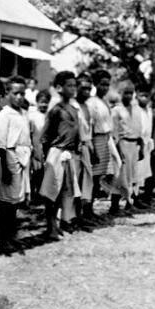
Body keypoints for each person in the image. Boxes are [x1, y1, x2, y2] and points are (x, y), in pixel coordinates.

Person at [0, 76, 32, 253]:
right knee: (6, 203)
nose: (19, 97)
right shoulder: (4, 114)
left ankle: (11, 236)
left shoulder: (23, 113)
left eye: (22, 93)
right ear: (7, 93)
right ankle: (3, 239)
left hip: (22, 157)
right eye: (15, 93)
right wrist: (5, 168)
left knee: (15, 201)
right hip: (9, 156)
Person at [40, 71, 81, 239]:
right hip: (56, 153)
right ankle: (50, 226)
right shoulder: (55, 110)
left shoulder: (73, 108)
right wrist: (47, 157)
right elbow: (45, 136)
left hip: (70, 154)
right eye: (69, 86)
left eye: (74, 85)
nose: (73, 89)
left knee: (66, 190)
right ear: (59, 88)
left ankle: (62, 221)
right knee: (52, 191)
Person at [86, 69, 121, 201]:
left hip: (107, 138)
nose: (105, 88)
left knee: (111, 171)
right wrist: (92, 149)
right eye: (102, 84)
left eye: (107, 85)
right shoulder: (92, 102)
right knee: (94, 175)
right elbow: (90, 126)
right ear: (95, 84)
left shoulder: (104, 101)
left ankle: (113, 203)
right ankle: (88, 209)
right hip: (96, 139)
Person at [110, 82, 144, 215]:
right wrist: (118, 150)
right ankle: (114, 206)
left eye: (131, 93)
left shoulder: (136, 109)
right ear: (120, 93)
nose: (129, 96)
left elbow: (139, 128)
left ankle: (129, 203)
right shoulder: (116, 110)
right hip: (122, 144)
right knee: (120, 176)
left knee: (132, 176)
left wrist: (140, 147)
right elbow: (114, 132)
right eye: (126, 93)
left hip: (134, 145)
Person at [73, 72, 97, 229]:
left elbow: (90, 131)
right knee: (73, 183)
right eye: (83, 88)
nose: (86, 92)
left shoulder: (88, 107)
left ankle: (80, 215)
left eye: (89, 89)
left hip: (86, 147)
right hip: (74, 148)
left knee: (85, 183)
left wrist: (92, 150)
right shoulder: (72, 106)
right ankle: (69, 218)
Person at [28, 89, 51, 201]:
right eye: (41, 102)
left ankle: (42, 195)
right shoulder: (32, 116)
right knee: (35, 171)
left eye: (46, 102)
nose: (44, 105)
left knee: (45, 172)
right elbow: (30, 133)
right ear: (37, 102)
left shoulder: (50, 115)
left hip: (47, 148)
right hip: (36, 147)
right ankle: (33, 195)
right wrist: (32, 148)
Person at [136, 87, 154, 206]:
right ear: (137, 96)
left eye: (146, 96)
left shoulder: (149, 110)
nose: (144, 98)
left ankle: (141, 198)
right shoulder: (135, 110)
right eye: (142, 95)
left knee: (144, 173)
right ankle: (133, 199)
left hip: (147, 143)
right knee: (136, 173)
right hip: (137, 143)